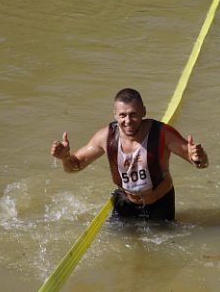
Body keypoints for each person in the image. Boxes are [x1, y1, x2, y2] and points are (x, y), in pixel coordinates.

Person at [51, 88, 208, 221]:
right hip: (125, 203)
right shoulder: (105, 137)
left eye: (133, 114)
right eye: (122, 115)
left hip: (160, 204)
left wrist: (199, 158)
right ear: (115, 115)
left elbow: (199, 162)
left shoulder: (162, 134)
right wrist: (65, 157)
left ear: (143, 112)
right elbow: (74, 167)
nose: (128, 121)